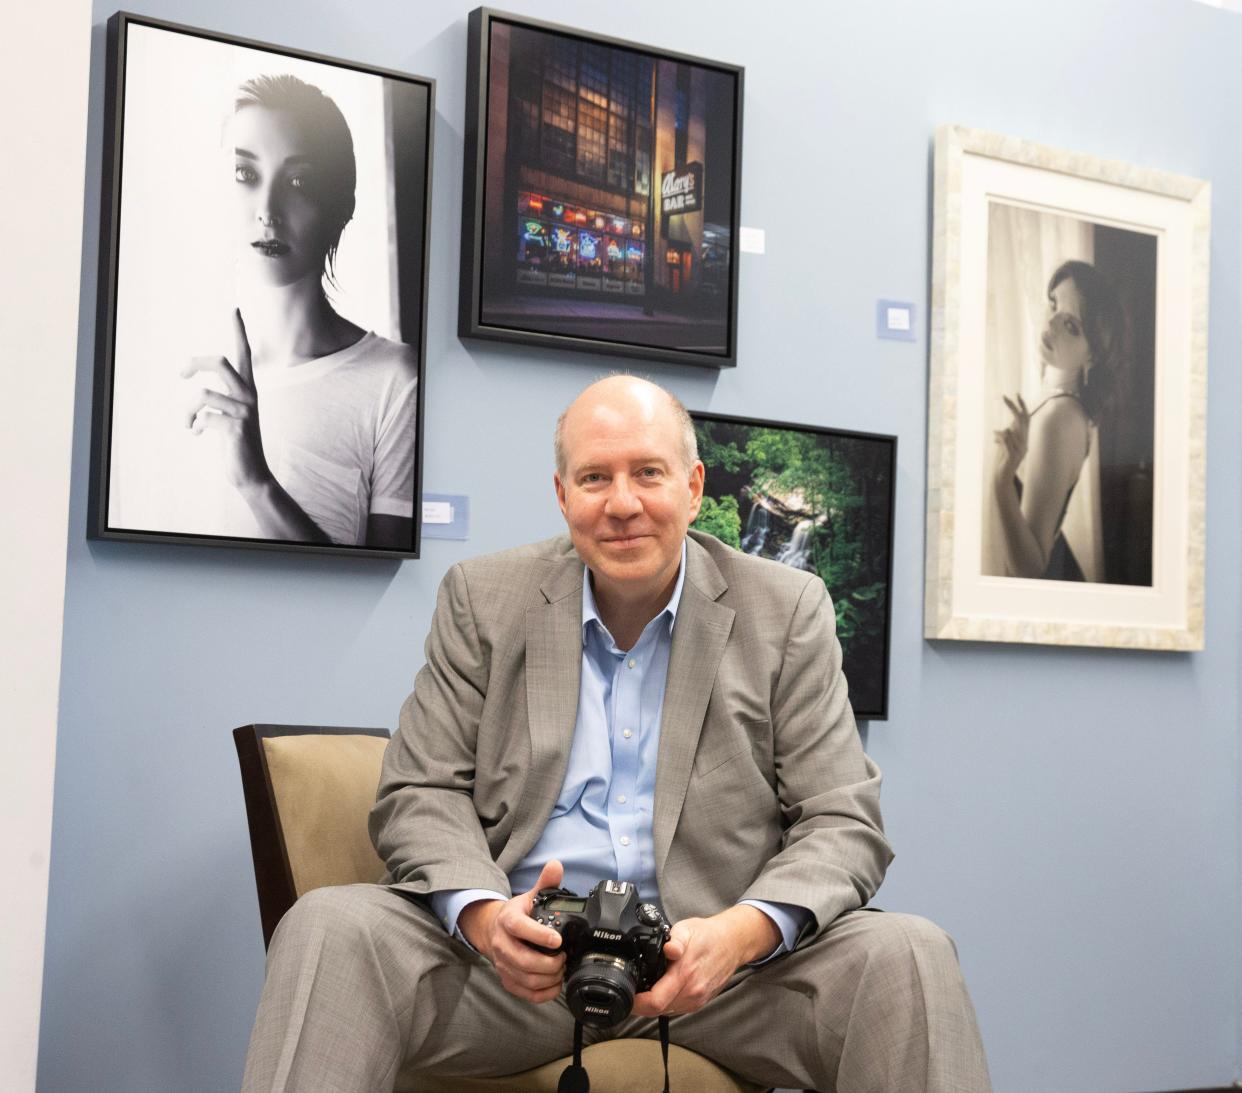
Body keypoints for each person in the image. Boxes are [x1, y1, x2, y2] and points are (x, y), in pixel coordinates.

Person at [242, 376, 991, 1092]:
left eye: (648, 473)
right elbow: (421, 789)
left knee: (908, 953)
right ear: (563, 496)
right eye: (595, 478)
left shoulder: (787, 611)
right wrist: (483, 917)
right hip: (514, 976)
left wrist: (737, 935)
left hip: (718, 981)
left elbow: (843, 821)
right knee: (330, 926)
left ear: (694, 487)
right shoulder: (482, 599)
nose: (623, 503)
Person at [181, 74, 418, 549]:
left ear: (340, 206)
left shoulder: (398, 379)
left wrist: (257, 483)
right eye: (246, 175)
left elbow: (385, 587)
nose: (267, 209)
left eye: (298, 181)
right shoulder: (191, 371)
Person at [991, 260, 1123, 580]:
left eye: (1071, 326)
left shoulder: (1059, 418)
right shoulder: (1065, 406)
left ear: (1093, 356)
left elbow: (1030, 569)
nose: (1051, 322)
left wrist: (1001, 480)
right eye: (1053, 304)